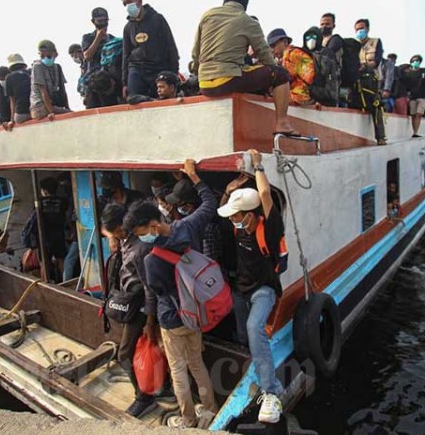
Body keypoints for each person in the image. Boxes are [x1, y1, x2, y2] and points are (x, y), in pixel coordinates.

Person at [123, 159, 218, 429]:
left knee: (178, 370)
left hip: (171, 319)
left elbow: (155, 293)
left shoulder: (152, 260)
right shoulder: (188, 226)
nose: (142, 238)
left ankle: (188, 419)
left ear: (153, 225)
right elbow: (210, 204)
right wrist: (194, 177)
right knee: (197, 363)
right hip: (196, 312)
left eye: (142, 233)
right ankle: (209, 410)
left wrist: (150, 323)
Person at [217, 149, 285, 424]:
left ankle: (272, 390)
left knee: (254, 327)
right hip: (241, 288)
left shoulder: (267, 228)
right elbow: (223, 209)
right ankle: (250, 357)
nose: (232, 219)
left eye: (236, 215)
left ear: (249, 214)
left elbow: (266, 196)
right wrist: (231, 188)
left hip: (263, 289)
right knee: (242, 332)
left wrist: (258, 166)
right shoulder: (238, 227)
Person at [190, 0, 295, 135]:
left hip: (204, 84)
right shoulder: (248, 21)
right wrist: (270, 81)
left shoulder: (208, 15)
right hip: (227, 81)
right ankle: (282, 124)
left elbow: (195, 53)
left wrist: (198, 71)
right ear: (245, 2)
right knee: (281, 74)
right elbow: (266, 58)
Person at [100, 203, 159, 418]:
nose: (117, 234)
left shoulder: (140, 249)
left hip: (141, 306)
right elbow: (104, 227)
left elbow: (149, 288)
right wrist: (110, 236)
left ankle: (144, 397)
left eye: (117, 231)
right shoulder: (124, 238)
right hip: (131, 301)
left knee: (125, 352)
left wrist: (149, 322)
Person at [120, 0, 179, 100]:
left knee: (162, 101)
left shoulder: (158, 19)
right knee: (132, 99)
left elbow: (171, 47)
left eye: (130, 2)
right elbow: (125, 55)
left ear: (140, 1)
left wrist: (174, 74)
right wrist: (124, 83)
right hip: (137, 69)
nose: (128, 6)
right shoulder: (128, 28)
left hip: (158, 68)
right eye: (124, 4)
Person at [353, 18, 386, 145]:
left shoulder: (375, 42)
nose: (359, 31)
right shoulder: (353, 44)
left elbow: (376, 61)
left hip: (373, 79)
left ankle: (381, 137)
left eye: (362, 28)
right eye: (357, 29)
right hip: (358, 80)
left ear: (367, 29)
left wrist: (364, 66)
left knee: (376, 107)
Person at [82, 7, 120, 108]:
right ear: (93, 22)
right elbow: (87, 56)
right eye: (100, 21)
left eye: (105, 21)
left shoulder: (113, 39)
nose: (103, 24)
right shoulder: (88, 38)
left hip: (109, 83)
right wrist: (98, 38)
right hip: (93, 83)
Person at [269, 27, 316, 105]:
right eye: (270, 47)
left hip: (301, 98)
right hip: (299, 97)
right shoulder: (289, 55)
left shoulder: (291, 54)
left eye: (273, 45)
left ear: (285, 42)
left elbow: (311, 77)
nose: (272, 50)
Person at [31, 40, 71, 120]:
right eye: (42, 56)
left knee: (71, 114)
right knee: (71, 115)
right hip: (40, 106)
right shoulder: (37, 67)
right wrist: (51, 112)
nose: (45, 58)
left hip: (53, 104)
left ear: (55, 54)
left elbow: (63, 90)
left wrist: (67, 108)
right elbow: (43, 91)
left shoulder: (57, 67)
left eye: (48, 56)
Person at [401, 54, 425, 137]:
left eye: (417, 61)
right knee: (413, 114)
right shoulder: (407, 73)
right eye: (413, 61)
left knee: (419, 113)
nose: (415, 62)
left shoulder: (424, 71)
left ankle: (415, 132)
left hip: (422, 96)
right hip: (412, 96)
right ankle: (414, 131)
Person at [3, 54, 31, 129]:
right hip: (34, 111)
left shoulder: (9, 77)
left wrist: (11, 120)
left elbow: (12, 100)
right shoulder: (30, 74)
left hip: (21, 115)